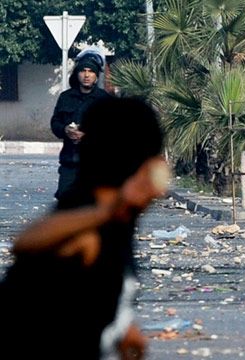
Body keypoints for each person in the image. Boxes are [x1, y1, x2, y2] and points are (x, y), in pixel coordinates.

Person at [0, 98, 168, 359]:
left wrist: (123, 327)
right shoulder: (91, 220)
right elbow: (27, 241)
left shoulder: (116, 219)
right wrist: (109, 211)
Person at [50, 49, 111, 201]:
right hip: (70, 161)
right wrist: (66, 130)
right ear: (77, 74)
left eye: (90, 71)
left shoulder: (104, 99)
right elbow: (55, 123)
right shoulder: (65, 97)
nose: (86, 75)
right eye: (83, 71)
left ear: (96, 75)